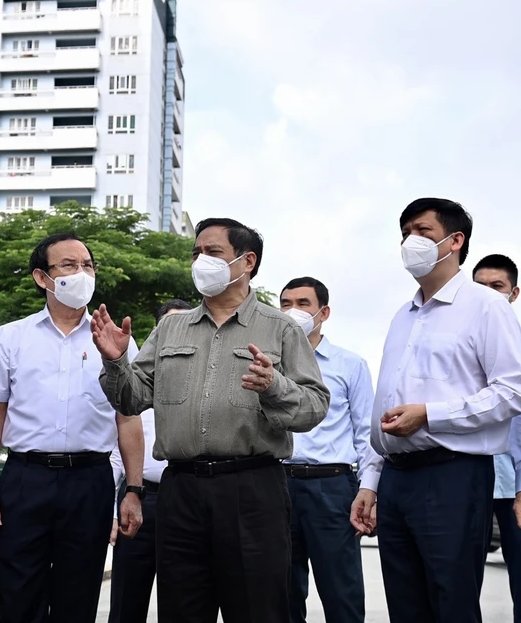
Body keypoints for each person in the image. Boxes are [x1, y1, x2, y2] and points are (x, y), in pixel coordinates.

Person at [94, 217, 330, 623]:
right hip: (181, 490)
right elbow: (131, 399)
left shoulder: (282, 329)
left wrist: (274, 385)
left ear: (247, 261)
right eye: (197, 253)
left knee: (258, 609)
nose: (201, 261)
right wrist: (116, 361)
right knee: (182, 610)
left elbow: (314, 406)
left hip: (253, 490)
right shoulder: (171, 328)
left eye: (213, 252)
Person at [350, 198, 521, 623]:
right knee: (405, 604)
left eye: (422, 231)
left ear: (455, 240)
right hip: (398, 478)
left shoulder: (487, 306)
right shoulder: (402, 317)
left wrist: (431, 414)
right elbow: (384, 405)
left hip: (454, 475)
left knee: (451, 601)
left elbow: (512, 391)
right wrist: (370, 481)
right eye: (405, 232)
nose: (411, 241)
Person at [0, 233, 145, 623]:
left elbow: (128, 418)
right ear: (41, 277)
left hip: (90, 481)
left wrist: (133, 490)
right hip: (25, 479)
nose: (81, 273)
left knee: (78, 596)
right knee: (18, 595)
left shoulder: (116, 341)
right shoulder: (13, 336)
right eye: (68, 265)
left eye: (88, 265)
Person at [279, 277, 374, 623]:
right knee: (282, 590)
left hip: (332, 486)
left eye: (303, 303)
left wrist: (369, 488)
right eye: (286, 303)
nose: (293, 311)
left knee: (341, 588)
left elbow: (366, 432)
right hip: (279, 483)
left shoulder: (349, 365)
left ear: (324, 312)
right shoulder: (269, 364)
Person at [107, 299, 188, 623]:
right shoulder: (136, 379)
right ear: (157, 331)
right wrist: (113, 509)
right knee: (128, 599)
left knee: (185, 600)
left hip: (186, 500)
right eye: (170, 325)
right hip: (139, 499)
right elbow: (115, 448)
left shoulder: (207, 382)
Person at [472, 254, 521, 623]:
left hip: (512, 486)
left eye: (497, 287)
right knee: (459, 581)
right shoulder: (459, 341)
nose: (487, 294)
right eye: (480, 287)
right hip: (465, 479)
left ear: (514, 293)